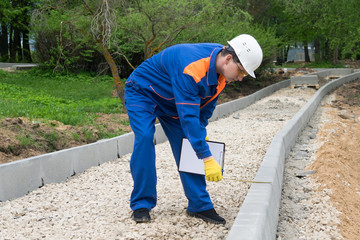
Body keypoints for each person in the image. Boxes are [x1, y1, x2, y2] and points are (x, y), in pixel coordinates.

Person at [125, 34, 263, 224]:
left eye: (245, 75)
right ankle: (141, 204)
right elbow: (188, 117)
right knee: (145, 137)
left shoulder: (222, 75)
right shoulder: (192, 67)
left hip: (173, 100)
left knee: (188, 142)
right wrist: (206, 157)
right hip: (143, 92)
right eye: (242, 71)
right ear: (229, 58)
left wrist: (200, 137)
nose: (241, 78)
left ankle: (200, 206)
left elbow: (204, 111)